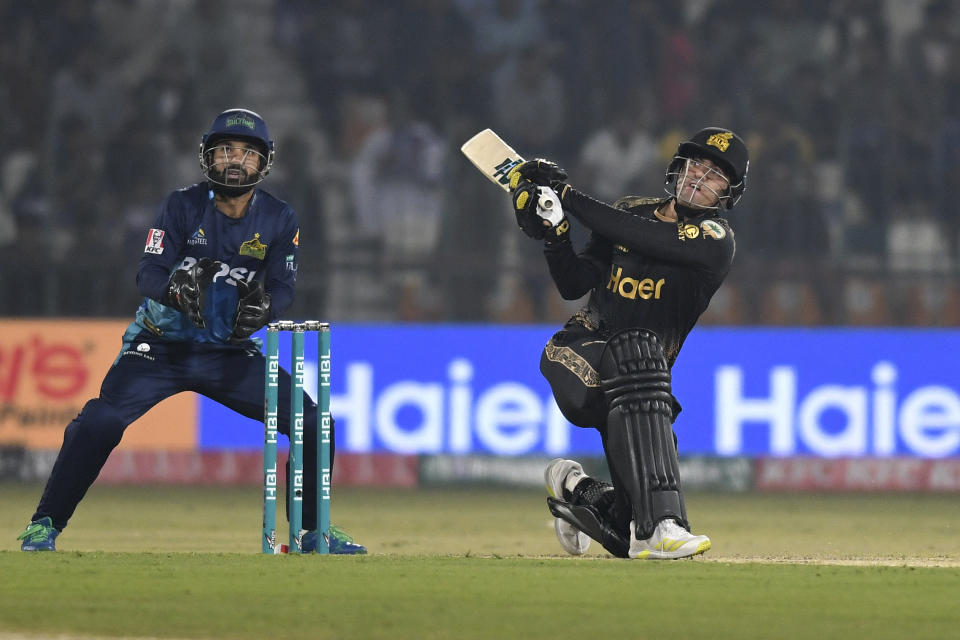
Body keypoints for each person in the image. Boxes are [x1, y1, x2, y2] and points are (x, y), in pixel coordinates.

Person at [17, 108, 366, 554]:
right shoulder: (181, 205)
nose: (235, 161)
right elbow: (147, 275)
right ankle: (45, 524)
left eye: (246, 153)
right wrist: (175, 293)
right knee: (99, 421)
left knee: (315, 422)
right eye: (225, 151)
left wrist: (262, 312)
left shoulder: (280, 218)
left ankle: (312, 532)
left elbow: (282, 288)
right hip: (159, 347)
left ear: (264, 162)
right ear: (207, 157)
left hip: (229, 353)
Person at [507, 127, 748, 559]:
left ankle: (578, 488)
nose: (699, 177)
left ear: (729, 193)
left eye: (714, 175)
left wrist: (566, 196)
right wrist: (555, 231)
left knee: (621, 527)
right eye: (695, 165)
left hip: (639, 386)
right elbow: (573, 283)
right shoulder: (631, 210)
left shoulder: (716, 241)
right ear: (677, 169)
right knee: (638, 351)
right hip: (577, 353)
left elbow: (646, 238)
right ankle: (662, 528)